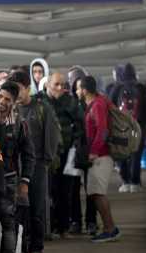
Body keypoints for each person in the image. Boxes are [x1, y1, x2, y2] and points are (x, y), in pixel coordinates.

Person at [7, 71, 60, 253]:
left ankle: (36, 249)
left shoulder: (42, 108)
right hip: (16, 166)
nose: (14, 93)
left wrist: (46, 161)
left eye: (17, 89)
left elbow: (52, 135)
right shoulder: (11, 109)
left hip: (37, 165)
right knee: (19, 210)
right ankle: (21, 249)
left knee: (37, 208)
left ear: (27, 87)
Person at [0, 82, 35, 253]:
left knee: (7, 225)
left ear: (14, 103)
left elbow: (29, 155)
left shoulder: (20, 125)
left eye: (7, 99)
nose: (2, 102)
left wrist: (25, 182)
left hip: (9, 181)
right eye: (0, 97)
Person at [79, 76, 121, 243]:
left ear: (84, 90)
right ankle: (110, 228)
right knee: (96, 192)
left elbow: (102, 130)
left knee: (98, 193)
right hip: (101, 155)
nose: (77, 91)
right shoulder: (99, 102)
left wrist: (94, 151)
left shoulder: (97, 104)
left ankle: (110, 229)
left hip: (101, 156)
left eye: (78, 88)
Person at [45, 72, 86, 236]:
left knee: (65, 190)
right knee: (49, 190)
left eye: (63, 85)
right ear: (48, 84)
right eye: (56, 84)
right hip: (45, 154)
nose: (60, 88)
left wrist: (75, 144)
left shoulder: (70, 101)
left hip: (65, 154)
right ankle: (50, 225)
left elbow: (80, 125)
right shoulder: (40, 101)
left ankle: (63, 226)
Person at [109, 63, 146, 192]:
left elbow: (109, 107)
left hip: (121, 129)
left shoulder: (116, 88)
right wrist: (145, 121)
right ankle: (135, 183)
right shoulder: (141, 88)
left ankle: (125, 182)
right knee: (136, 154)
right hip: (138, 127)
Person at [67, 65, 98, 234]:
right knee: (73, 188)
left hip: (89, 149)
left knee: (90, 187)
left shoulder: (93, 103)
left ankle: (91, 221)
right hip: (75, 150)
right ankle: (76, 221)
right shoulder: (70, 103)